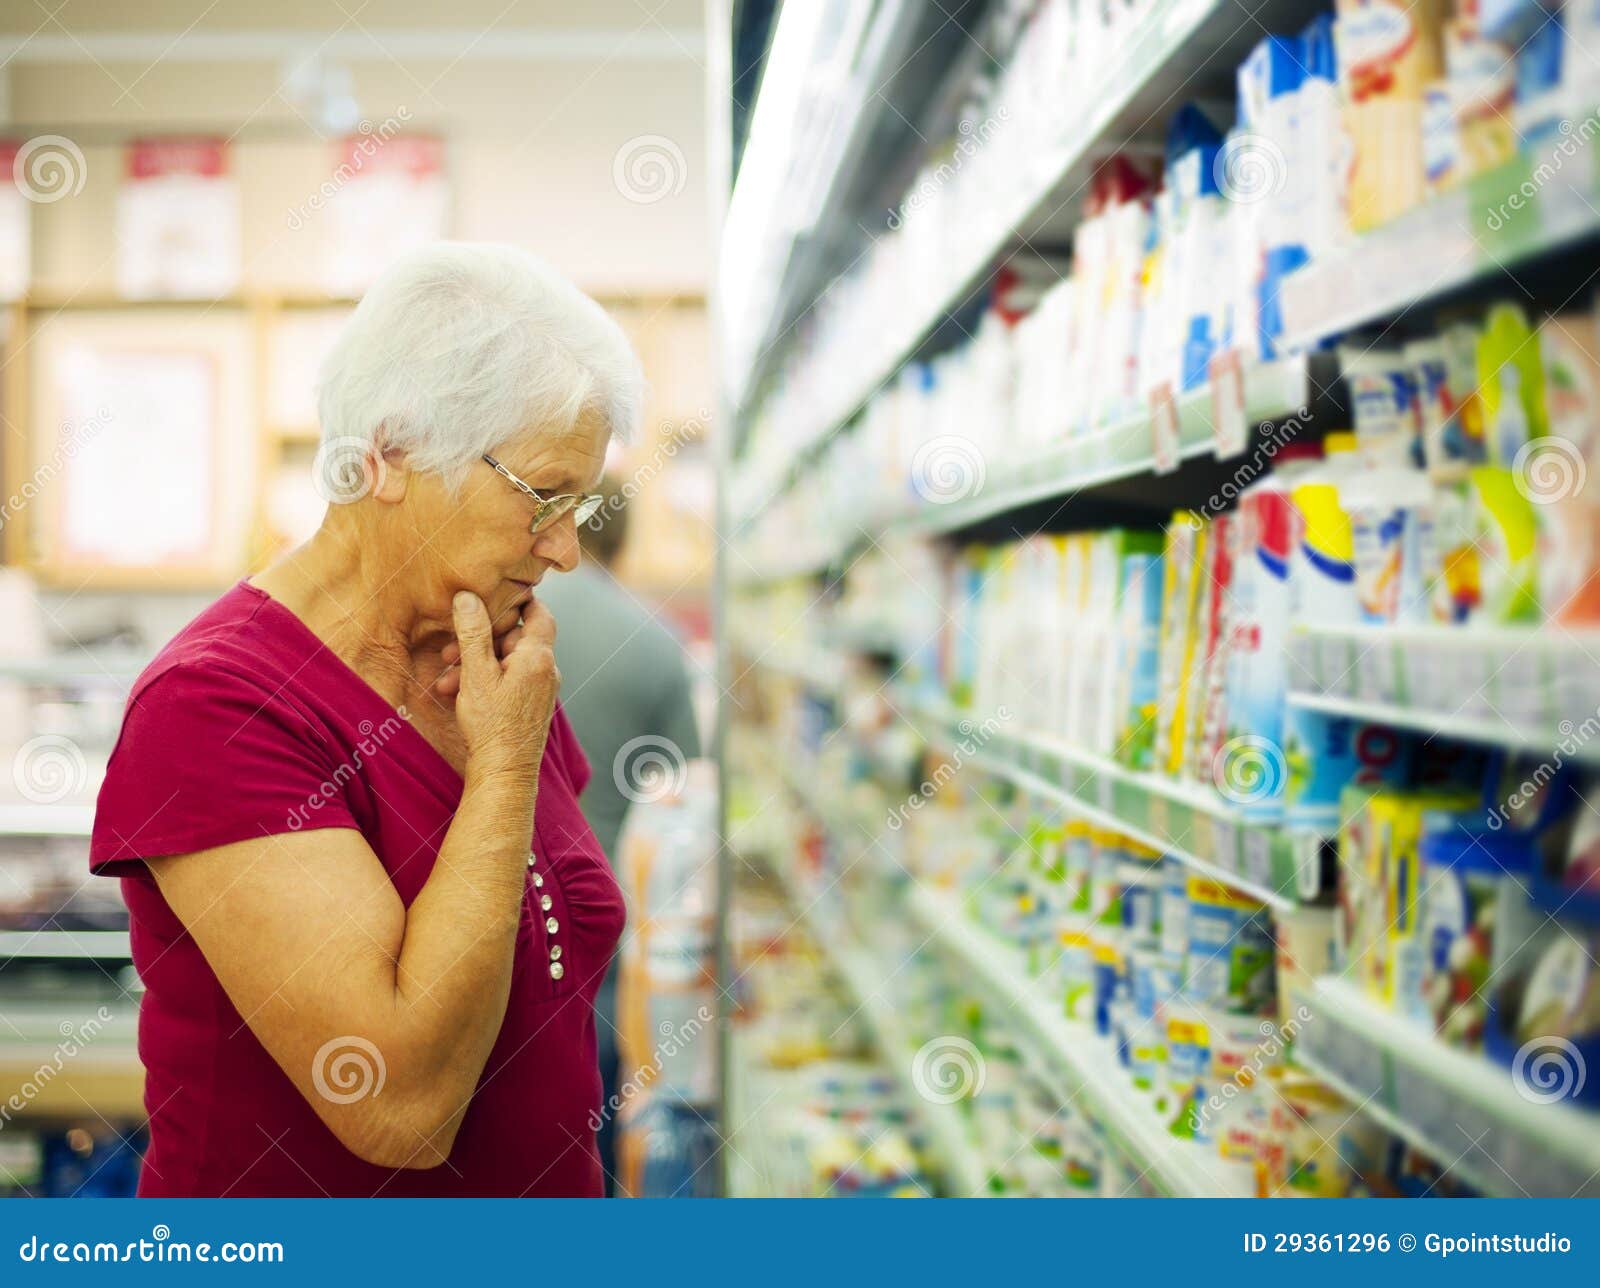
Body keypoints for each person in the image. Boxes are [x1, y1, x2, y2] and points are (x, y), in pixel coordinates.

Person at [88, 242, 644, 1197]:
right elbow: (397, 1102)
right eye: (543, 500)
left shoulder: (488, 660)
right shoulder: (216, 706)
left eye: (581, 504)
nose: (565, 550)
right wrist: (504, 769)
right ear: (388, 455)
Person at [535, 479, 701, 1194]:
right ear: (625, 538)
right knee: (593, 1116)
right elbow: (685, 804)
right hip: (607, 920)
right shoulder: (658, 646)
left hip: (494, 903)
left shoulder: (505, 624)